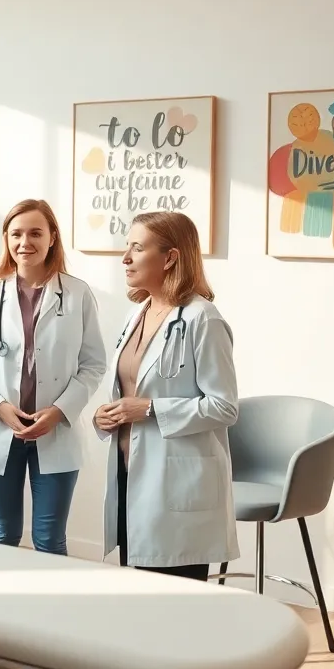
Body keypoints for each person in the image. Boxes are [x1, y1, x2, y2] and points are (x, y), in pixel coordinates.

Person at [0, 198, 106, 669]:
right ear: (7, 239)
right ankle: (2, 654)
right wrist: (0, 408)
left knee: (49, 540)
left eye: (35, 233)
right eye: (16, 233)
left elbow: (93, 364)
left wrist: (58, 412)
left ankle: (51, 662)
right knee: (3, 536)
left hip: (54, 432)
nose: (25, 242)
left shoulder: (77, 294)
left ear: (52, 238)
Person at [94, 210, 240, 586]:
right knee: (138, 594)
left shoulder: (203, 319)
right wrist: (104, 416)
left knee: (176, 601)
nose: (125, 258)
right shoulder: (137, 314)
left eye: (137, 248)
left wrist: (150, 409)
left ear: (170, 257)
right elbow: (129, 389)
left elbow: (224, 406)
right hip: (130, 471)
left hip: (176, 481)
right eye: (127, 247)